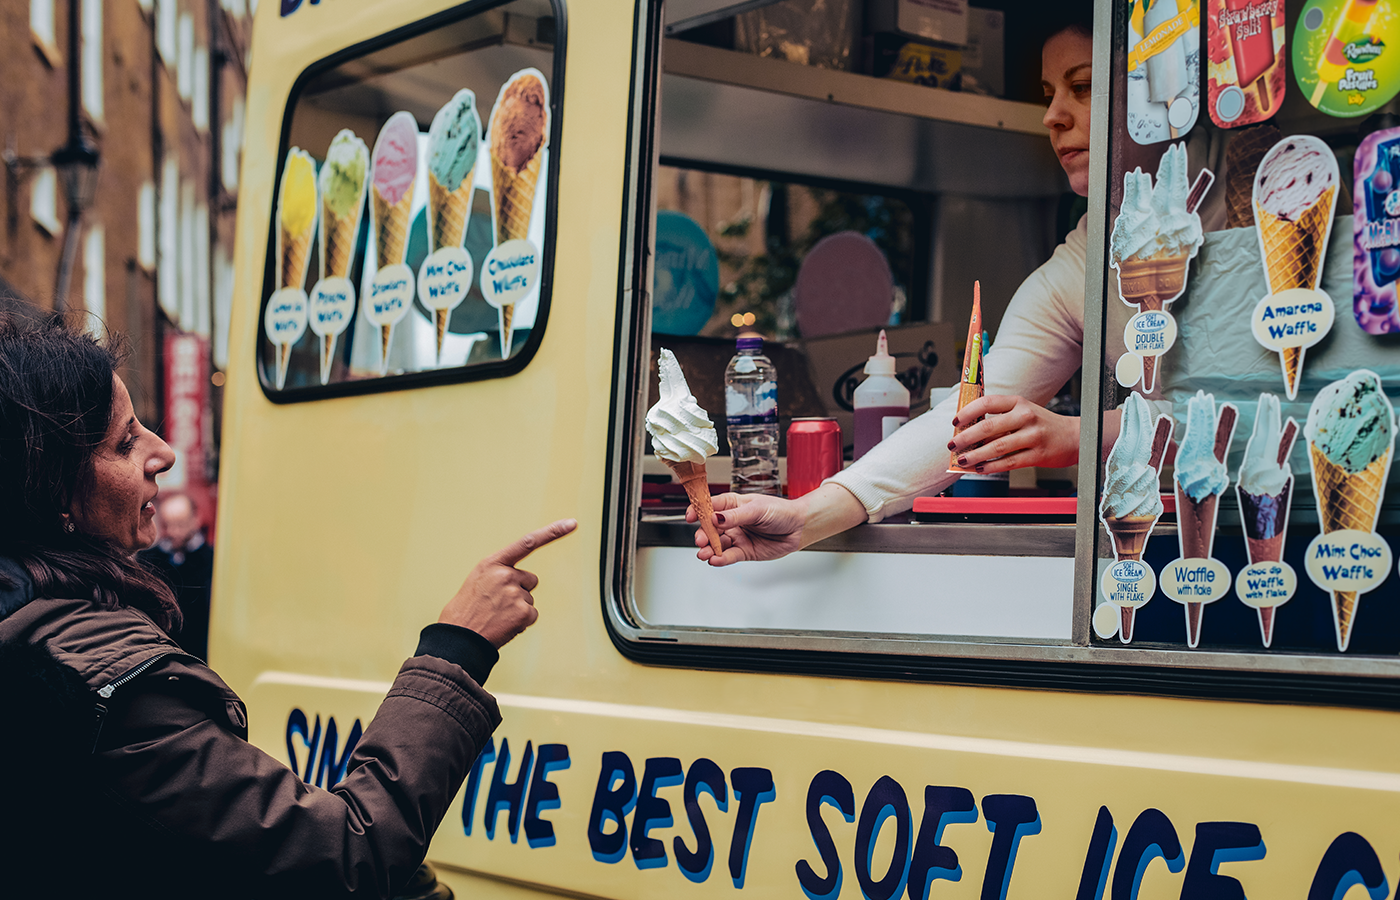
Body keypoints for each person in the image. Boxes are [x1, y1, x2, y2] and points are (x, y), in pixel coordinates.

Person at [0, 315, 576, 897]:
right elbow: (351, 854)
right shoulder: (95, 686)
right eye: (126, 441)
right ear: (52, 489)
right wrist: (459, 646)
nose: (164, 452)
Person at [694, 9, 1124, 565]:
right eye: (1048, 92)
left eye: (1083, 87)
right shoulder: (1090, 254)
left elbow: (1247, 412)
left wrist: (1075, 436)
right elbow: (968, 417)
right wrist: (806, 517)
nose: (1051, 116)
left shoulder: (1239, 217)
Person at [140, 492, 215, 659]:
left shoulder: (213, 560)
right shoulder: (149, 560)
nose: (174, 532)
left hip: (202, 651)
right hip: (163, 652)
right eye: (168, 525)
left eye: (180, 525)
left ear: (196, 519)